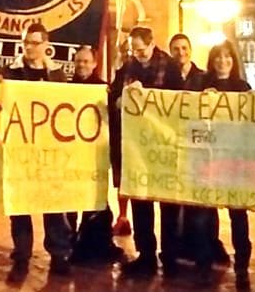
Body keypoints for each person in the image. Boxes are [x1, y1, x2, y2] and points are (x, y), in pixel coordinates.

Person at [0, 23, 73, 284]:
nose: (29, 47)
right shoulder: (9, 72)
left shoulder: (57, 75)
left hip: (48, 149)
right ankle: (22, 256)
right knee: (20, 205)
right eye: (25, 42)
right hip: (19, 149)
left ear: (46, 45)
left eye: (35, 43)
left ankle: (59, 254)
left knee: (53, 203)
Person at [110, 26, 183, 278]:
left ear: (152, 45)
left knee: (168, 205)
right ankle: (146, 255)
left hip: (163, 145)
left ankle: (170, 255)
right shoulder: (127, 67)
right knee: (141, 203)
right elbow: (114, 95)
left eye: (141, 49)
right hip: (137, 147)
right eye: (134, 49)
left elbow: (178, 101)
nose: (137, 54)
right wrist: (120, 99)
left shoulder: (170, 67)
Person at [191, 40, 253, 290]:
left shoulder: (242, 87)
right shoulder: (201, 85)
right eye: (218, 56)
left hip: (235, 160)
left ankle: (242, 267)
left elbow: (253, 122)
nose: (223, 61)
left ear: (233, 60)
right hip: (208, 159)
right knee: (203, 217)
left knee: (238, 216)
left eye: (227, 56)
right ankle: (204, 264)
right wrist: (201, 101)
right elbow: (188, 115)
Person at [169, 33, 231, 266]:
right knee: (184, 201)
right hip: (180, 143)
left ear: (190, 50)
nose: (181, 53)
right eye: (176, 49)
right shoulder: (167, 76)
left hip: (206, 146)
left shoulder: (202, 78)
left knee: (206, 203)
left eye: (184, 48)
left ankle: (208, 246)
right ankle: (185, 245)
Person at [67, 46, 125, 264]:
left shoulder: (103, 89)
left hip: (95, 155)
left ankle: (94, 244)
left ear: (94, 63)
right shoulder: (64, 88)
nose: (81, 65)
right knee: (70, 201)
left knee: (95, 199)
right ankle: (70, 242)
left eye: (86, 61)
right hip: (71, 155)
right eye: (78, 61)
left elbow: (113, 122)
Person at [110, 36, 132, 236]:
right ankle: (123, 216)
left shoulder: (153, 70)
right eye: (126, 51)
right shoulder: (121, 73)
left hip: (141, 135)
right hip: (122, 132)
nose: (128, 55)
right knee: (123, 179)